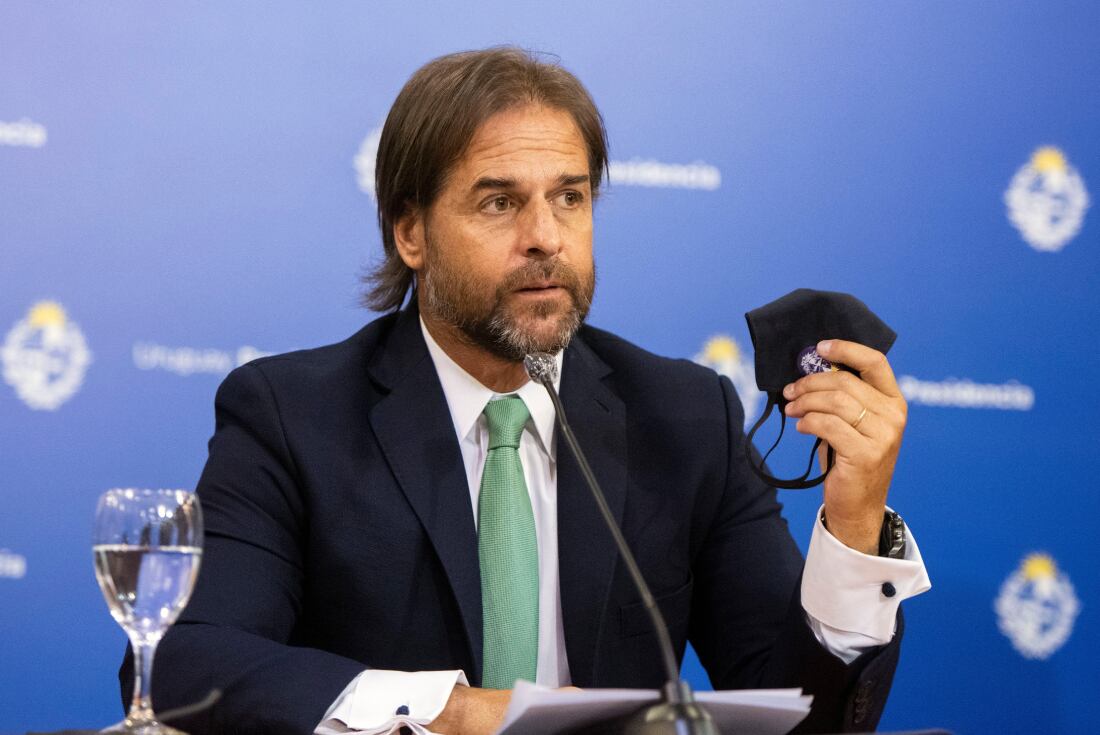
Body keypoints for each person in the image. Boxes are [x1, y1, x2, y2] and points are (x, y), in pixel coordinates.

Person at [126, 47, 930, 735]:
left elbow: (805, 714)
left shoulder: (686, 416)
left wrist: (854, 529)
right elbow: (184, 661)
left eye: (570, 198)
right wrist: (453, 709)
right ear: (412, 233)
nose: (545, 236)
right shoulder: (291, 415)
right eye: (500, 201)